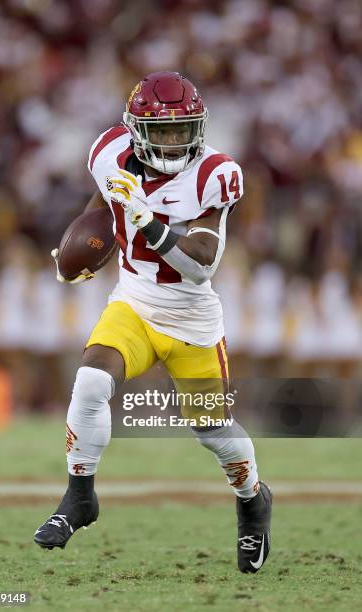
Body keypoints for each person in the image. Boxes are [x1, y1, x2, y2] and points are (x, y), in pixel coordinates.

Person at [34, 71, 272, 573]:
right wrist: (83, 249)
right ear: (136, 128)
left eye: (182, 129)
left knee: (212, 430)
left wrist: (150, 223)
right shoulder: (108, 152)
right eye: (161, 130)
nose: (172, 140)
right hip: (135, 301)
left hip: (192, 316)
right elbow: (104, 204)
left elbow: (203, 260)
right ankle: (80, 496)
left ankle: (252, 501)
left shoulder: (216, 173)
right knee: (92, 379)